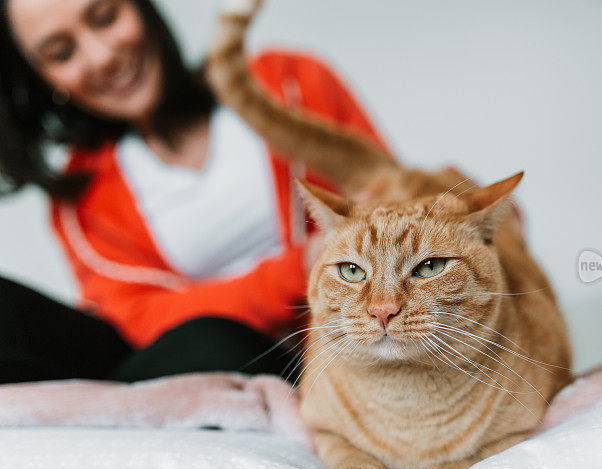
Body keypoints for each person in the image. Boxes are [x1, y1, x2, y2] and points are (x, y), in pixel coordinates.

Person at [0, 0, 386, 384]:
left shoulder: (290, 82)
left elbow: (389, 202)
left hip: (329, 346)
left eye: (106, 17)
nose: (101, 57)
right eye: (62, 53)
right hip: (194, 360)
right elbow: (142, 321)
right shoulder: (79, 197)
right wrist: (301, 268)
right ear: (42, 78)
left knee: (212, 343)